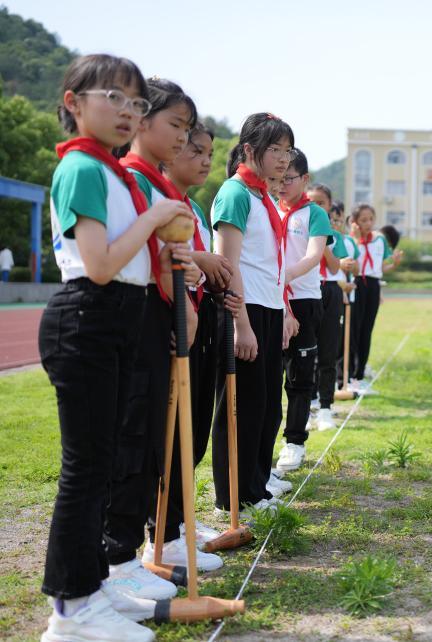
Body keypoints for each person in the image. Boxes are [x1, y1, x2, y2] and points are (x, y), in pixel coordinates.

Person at [39, 53, 193, 642]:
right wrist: (155, 216)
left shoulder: (115, 173)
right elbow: (101, 265)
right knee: (86, 470)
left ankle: (93, 588)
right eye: (114, 98)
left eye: (136, 102)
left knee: (101, 465)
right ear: (75, 103)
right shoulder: (82, 168)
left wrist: (166, 243)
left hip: (120, 318)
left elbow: (128, 257)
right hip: (88, 317)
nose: (128, 112)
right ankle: (72, 612)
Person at [105, 77, 222, 586]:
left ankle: (151, 544)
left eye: (187, 128)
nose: (183, 138)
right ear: (142, 121)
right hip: (137, 317)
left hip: (167, 316)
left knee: (157, 438)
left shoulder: (157, 184)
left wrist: (189, 277)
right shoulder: (131, 179)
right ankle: (121, 560)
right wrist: (183, 295)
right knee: (134, 441)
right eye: (176, 125)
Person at [160, 120, 245, 555]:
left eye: (209, 154)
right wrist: (201, 260)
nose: (204, 161)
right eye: (195, 151)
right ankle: (165, 532)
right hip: (168, 321)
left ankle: (181, 522)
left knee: (192, 434)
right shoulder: (156, 195)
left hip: (200, 316)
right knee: (168, 436)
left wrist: (213, 280)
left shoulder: (189, 205)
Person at [211, 112, 296, 515]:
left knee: (266, 407)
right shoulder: (235, 194)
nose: (283, 159)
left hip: (268, 309)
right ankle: (235, 496)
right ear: (250, 150)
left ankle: (256, 487)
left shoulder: (264, 198)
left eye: (287, 150)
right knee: (242, 408)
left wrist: (282, 313)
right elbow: (228, 266)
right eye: (274, 150)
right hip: (244, 312)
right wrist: (241, 325)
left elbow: (270, 265)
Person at [273, 150, 333, 473]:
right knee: (270, 376)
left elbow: (313, 256)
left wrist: (284, 275)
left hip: (303, 301)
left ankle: (294, 442)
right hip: (270, 300)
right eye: (279, 178)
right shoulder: (269, 209)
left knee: (298, 376)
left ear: (304, 180)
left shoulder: (314, 215)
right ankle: (263, 446)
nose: (282, 185)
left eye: (289, 179)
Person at [307, 188, 357, 430]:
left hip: (330, 291)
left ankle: (325, 408)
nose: (316, 206)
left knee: (328, 351)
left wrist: (321, 236)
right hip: (304, 290)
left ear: (329, 206)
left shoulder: (336, 236)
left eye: (321, 202)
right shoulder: (296, 227)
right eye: (311, 201)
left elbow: (334, 264)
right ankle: (306, 406)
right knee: (305, 353)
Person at [349, 204, 401, 393]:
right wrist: (355, 239)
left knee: (366, 330)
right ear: (355, 222)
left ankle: (360, 376)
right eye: (363, 220)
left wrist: (393, 265)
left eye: (371, 219)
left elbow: (380, 268)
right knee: (353, 329)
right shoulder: (351, 241)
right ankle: (348, 376)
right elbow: (349, 263)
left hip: (372, 285)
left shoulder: (379, 240)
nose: (368, 223)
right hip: (356, 283)